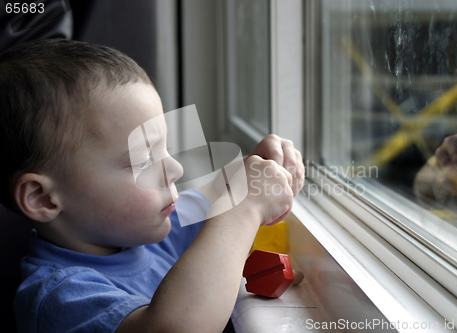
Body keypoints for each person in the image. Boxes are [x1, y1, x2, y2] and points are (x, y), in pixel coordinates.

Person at [0, 38, 305, 333]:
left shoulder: (145, 230)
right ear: (43, 198)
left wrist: (259, 166)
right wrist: (246, 208)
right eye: (145, 159)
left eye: (165, 148)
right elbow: (175, 329)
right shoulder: (61, 297)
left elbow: (213, 200)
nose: (175, 168)